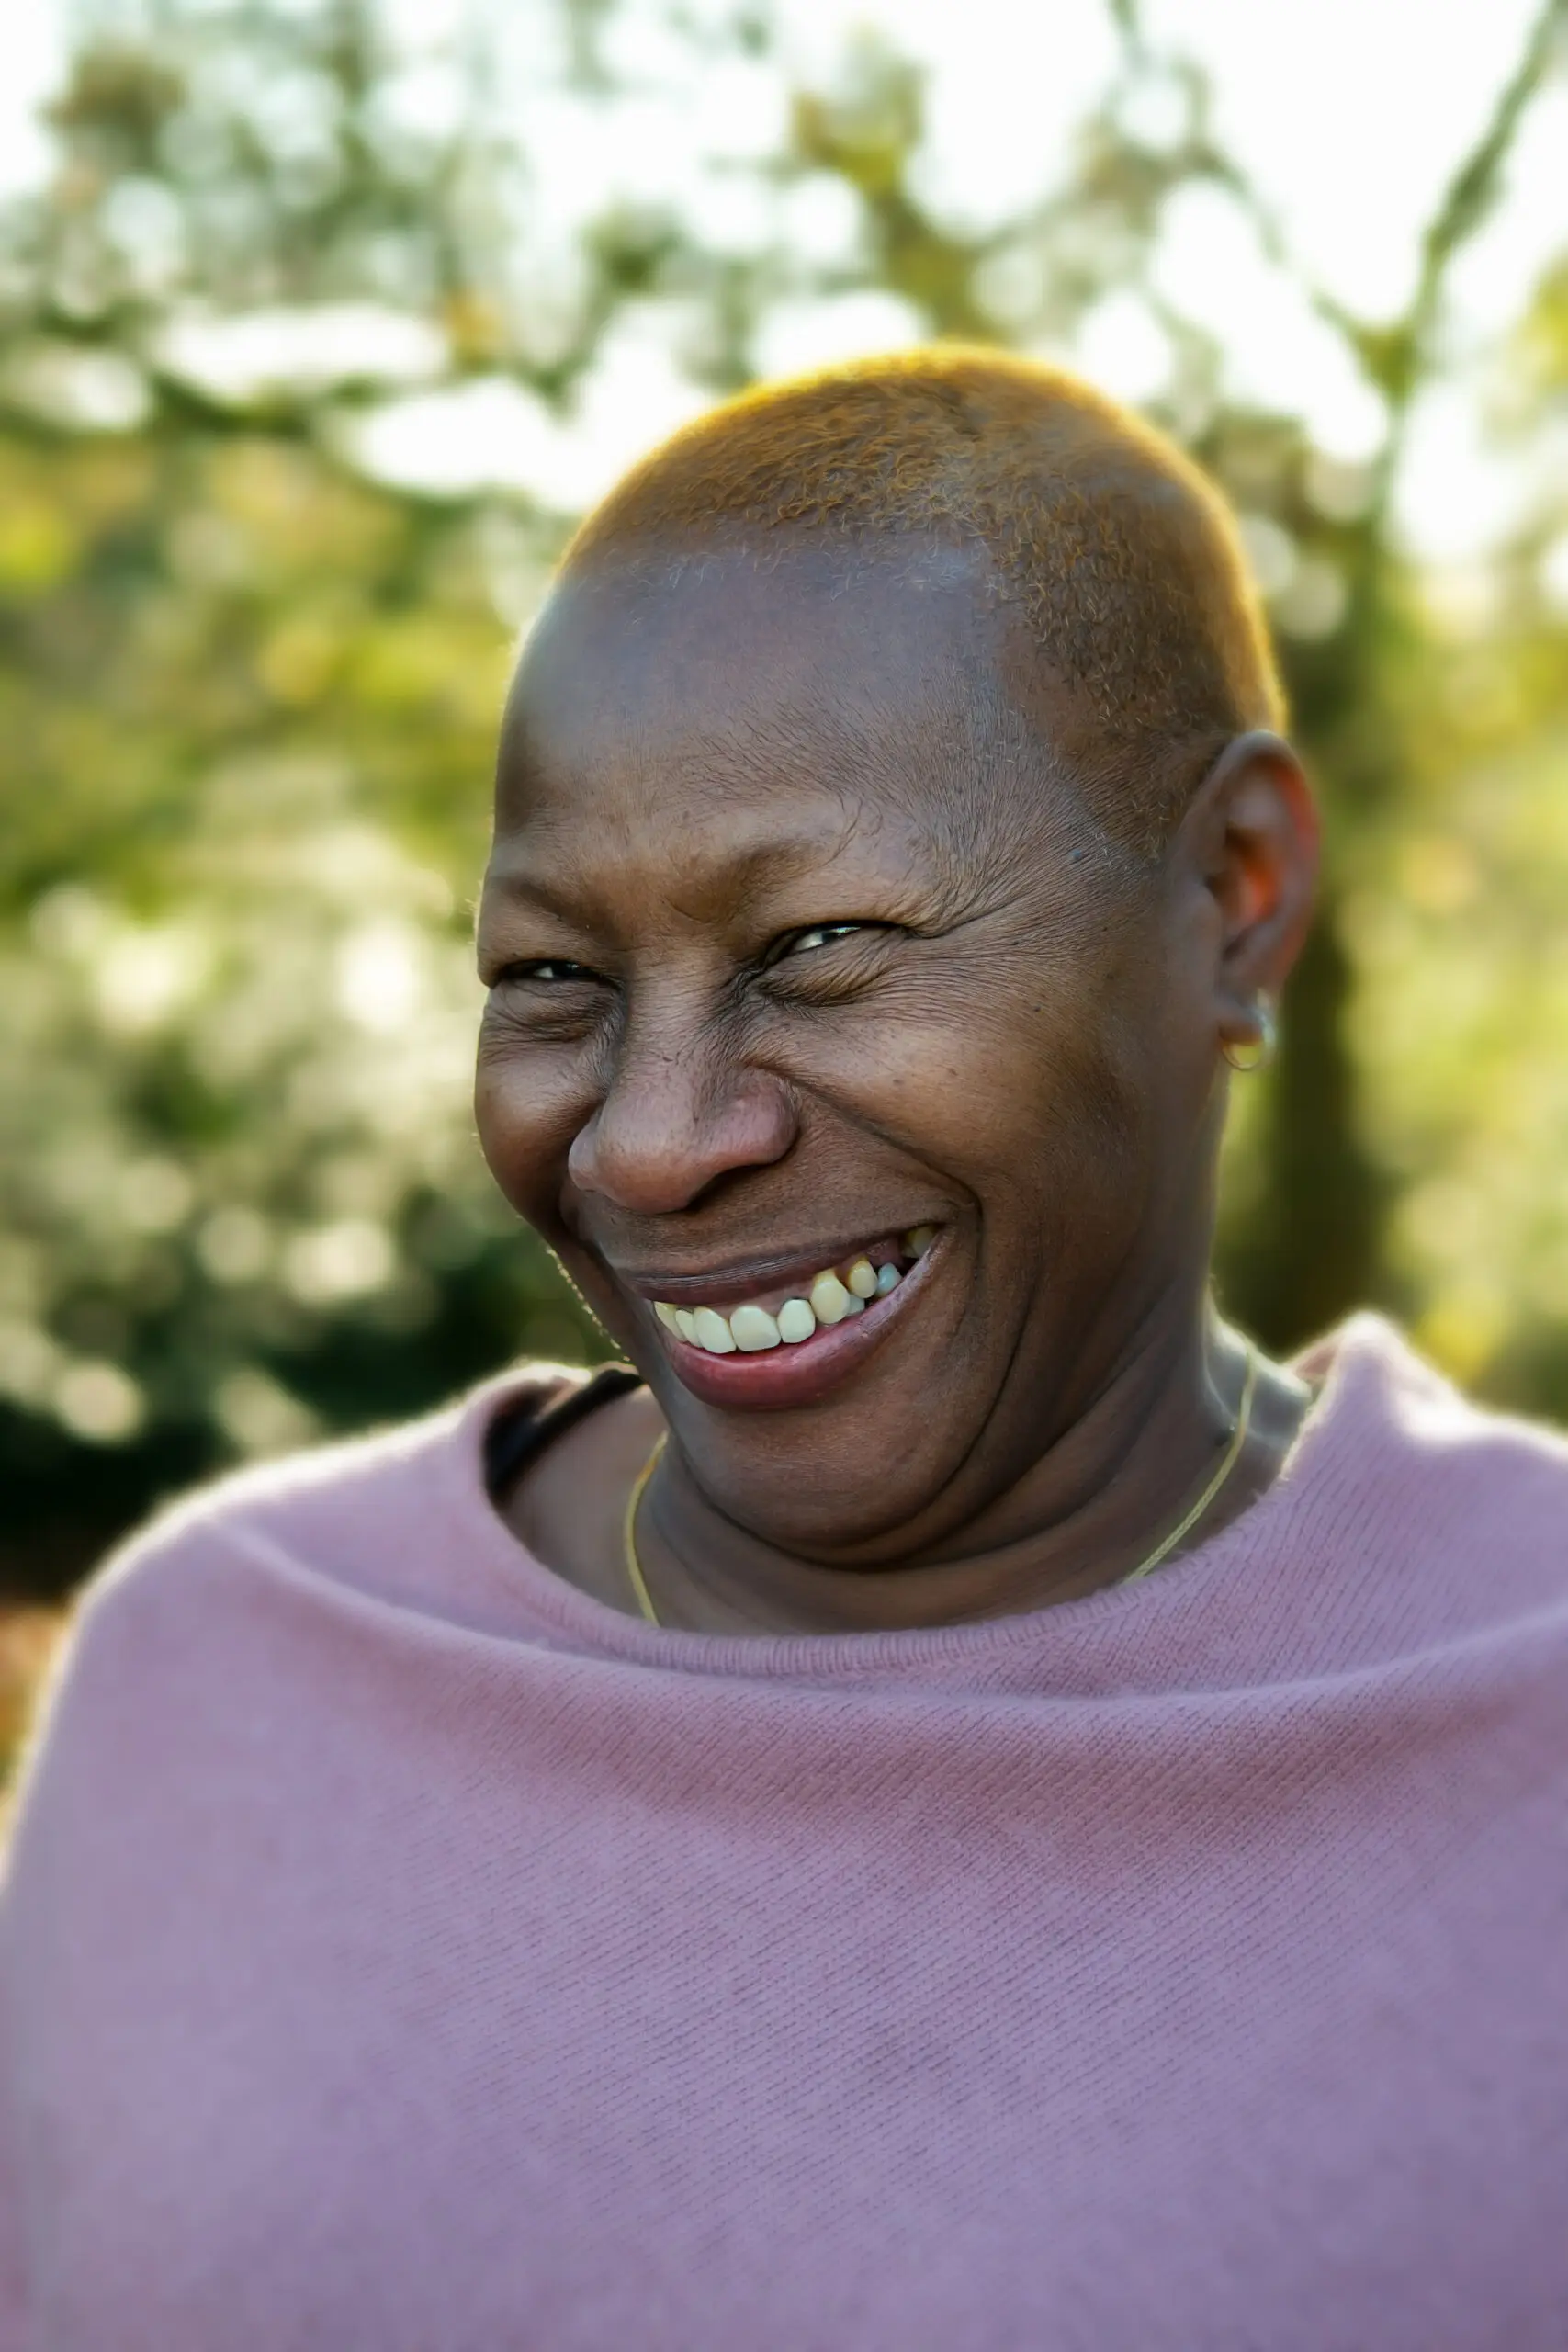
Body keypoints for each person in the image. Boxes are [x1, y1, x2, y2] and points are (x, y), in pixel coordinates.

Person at [2, 348, 1563, 2348]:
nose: (651, 1138)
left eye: (820, 946)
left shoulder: (1527, 1700)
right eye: (551, 977)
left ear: (1232, 896)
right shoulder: (220, 1670)